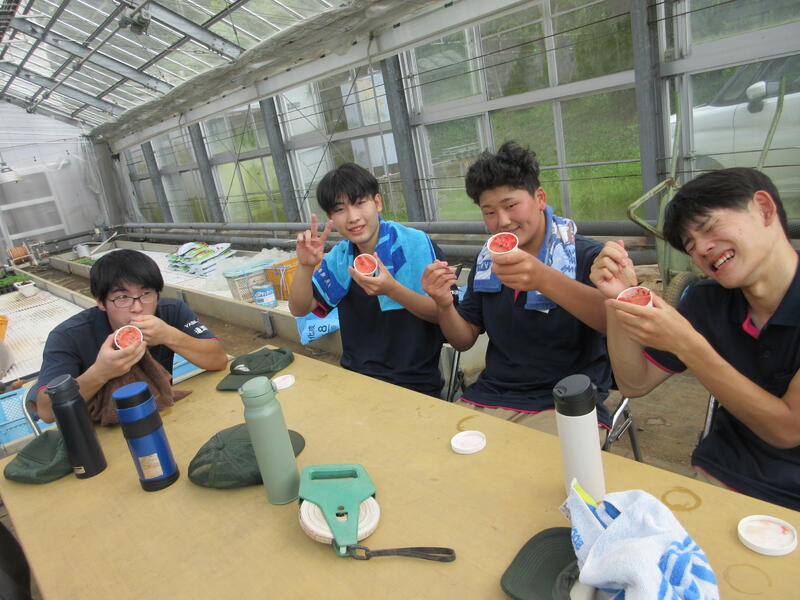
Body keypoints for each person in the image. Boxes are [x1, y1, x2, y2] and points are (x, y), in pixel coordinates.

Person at [590, 167, 800, 510]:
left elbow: (788, 429)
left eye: (709, 227)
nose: (701, 249)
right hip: (720, 475)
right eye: (690, 244)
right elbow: (634, 383)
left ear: (763, 209)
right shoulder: (707, 300)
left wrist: (686, 343)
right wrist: (618, 299)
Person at [421, 141, 612, 433]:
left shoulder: (587, 256)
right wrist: (443, 303)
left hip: (567, 400)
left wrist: (544, 278)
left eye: (511, 206)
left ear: (540, 198)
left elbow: (613, 322)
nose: (503, 221)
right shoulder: (487, 261)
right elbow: (463, 341)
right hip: (492, 394)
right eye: (489, 212)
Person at [289, 162, 447, 397]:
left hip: (415, 381)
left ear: (377, 202)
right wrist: (305, 266)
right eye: (340, 209)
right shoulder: (340, 258)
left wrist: (392, 290)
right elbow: (300, 308)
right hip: (356, 378)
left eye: (360, 203)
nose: (353, 217)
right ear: (330, 217)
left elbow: (442, 314)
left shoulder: (417, 245)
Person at [33, 249, 227, 423]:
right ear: (101, 302)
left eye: (146, 293)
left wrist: (169, 335)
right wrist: (100, 373)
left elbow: (218, 360)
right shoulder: (68, 336)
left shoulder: (172, 311)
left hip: (161, 412)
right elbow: (47, 411)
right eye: (122, 297)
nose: (137, 307)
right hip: (98, 428)